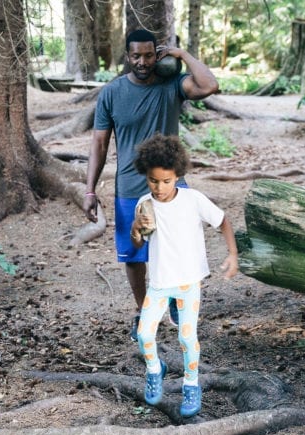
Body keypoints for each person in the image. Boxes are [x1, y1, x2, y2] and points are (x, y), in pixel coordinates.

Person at [82, 29, 219, 342]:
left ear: (157, 55)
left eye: (148, 55)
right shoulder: (112, 93)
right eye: (136, 56)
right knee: (134, 256)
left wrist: (182, 55)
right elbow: (99, 145)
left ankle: (171, 299)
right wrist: (90, 191)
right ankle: (145, 309)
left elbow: (210, 85)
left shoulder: (172, 86)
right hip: (130, 188)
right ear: (127, 57)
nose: (142, 62)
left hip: (172, 189)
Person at [129, 134, 238, 417]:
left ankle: (192, 385)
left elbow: (223, 220)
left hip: (188, 281)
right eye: (154, 181)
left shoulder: (193, 199)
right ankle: (155, 369)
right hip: (159, 283)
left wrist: (232, 254)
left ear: (177, 175)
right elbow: (138, 243)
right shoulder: (145, 204)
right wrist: (136, 230)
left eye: (166, 181)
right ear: (146, 176)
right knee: (143, 334)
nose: (160, 187)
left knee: (187, 339)